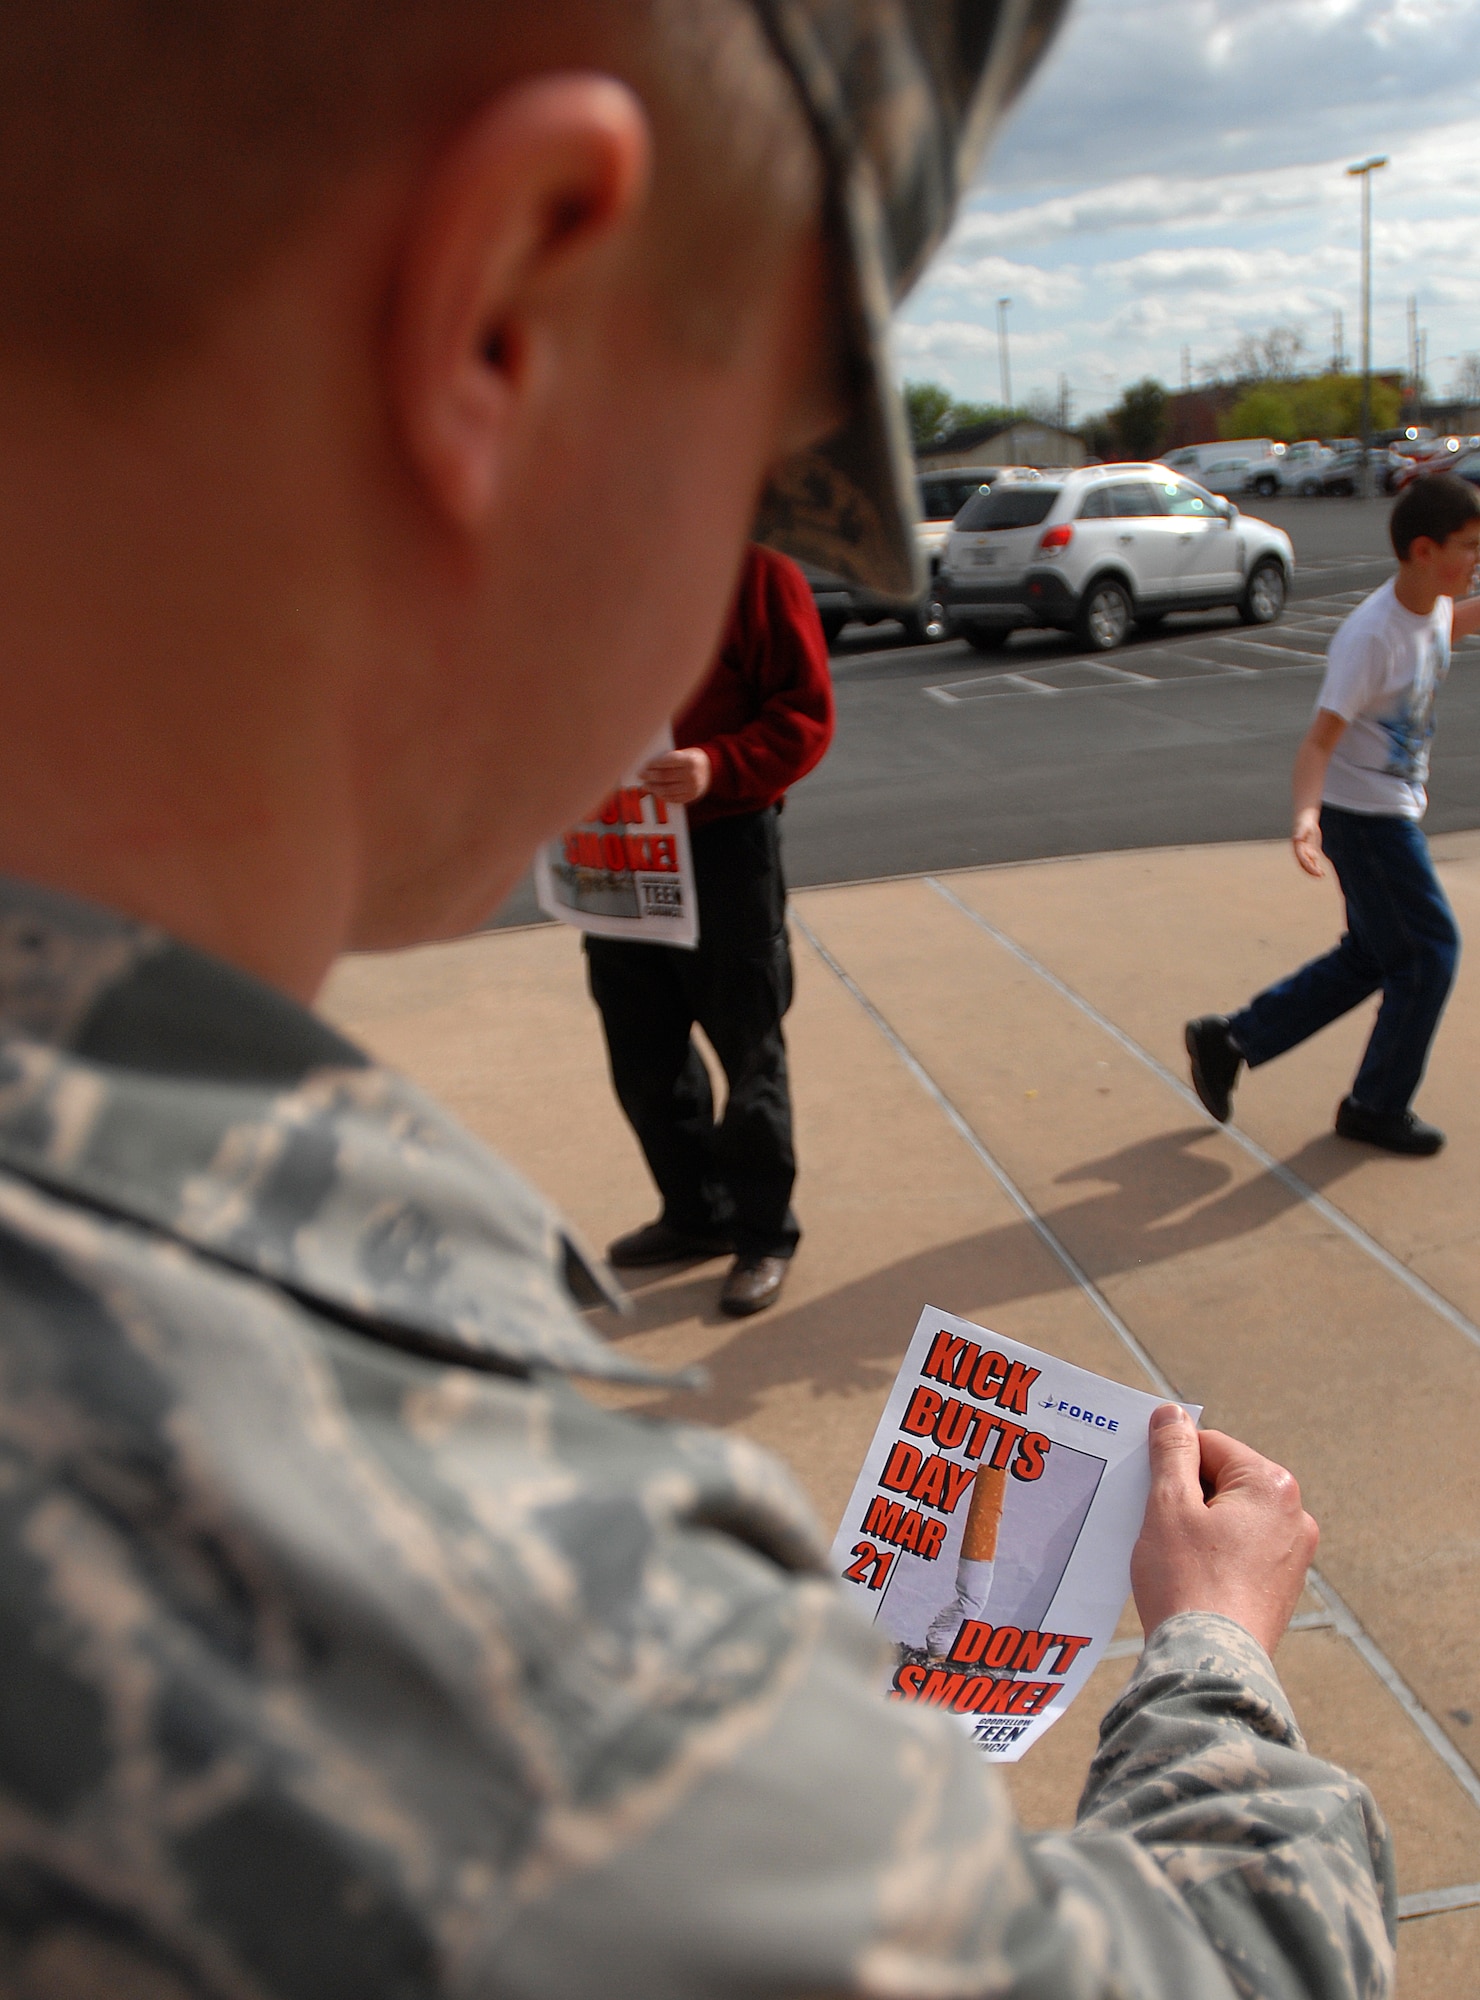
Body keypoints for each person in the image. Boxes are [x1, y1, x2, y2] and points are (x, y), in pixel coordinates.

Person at [0, 5, 1394, 1997]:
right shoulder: (452, 1592)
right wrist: (1208, 1657)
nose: (726, 559)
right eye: (756, 452)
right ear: (506, 316)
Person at [1188, 472, 1480, 1154]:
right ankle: (1374, 1107)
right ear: (1422, 550)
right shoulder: (1369, 637)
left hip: (1387, 809)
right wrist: (1306, 818)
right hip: (1365, 819)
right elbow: (1319, 741)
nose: (1476, 559)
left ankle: (1229, 1040)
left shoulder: (1434, 602)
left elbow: (1452, 626)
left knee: (1372, 956)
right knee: (1431, 954)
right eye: (1467, 547)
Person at [587, 541, 832, 1318]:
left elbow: (804, 713)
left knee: (747, 1044)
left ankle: (763, 1234)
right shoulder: (575, 577)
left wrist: (718, 765)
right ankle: (697, 1215)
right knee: (642, 1050)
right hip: (615, 845)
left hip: (725, 844)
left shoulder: (757, 576)